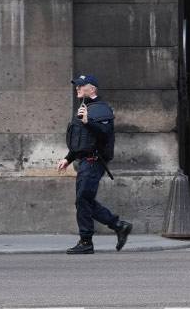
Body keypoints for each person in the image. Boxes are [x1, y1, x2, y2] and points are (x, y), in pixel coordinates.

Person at [56, 74, 132, 254]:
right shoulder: (85, 107)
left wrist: (87, 122)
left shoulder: (100, 109)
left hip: (94, 161)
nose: (78, 88)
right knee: (85, 200)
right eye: (77, 86)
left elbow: (104, 134)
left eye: (82, 86)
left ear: (93, 89)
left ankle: (86, 241)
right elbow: (82, 140)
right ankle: (118, 225)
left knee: (83, 200)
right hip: (85, 160)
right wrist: (68, 158)